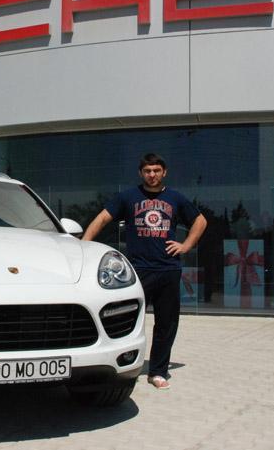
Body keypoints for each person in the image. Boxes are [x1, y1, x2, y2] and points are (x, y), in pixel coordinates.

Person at [83, 153, 207, 389]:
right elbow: (102, 219)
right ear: (141, 173)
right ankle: (123, 365)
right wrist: (83, 246)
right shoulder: (128, 197)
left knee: (166, 323)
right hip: (138, 270)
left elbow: (200, 221)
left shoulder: (175, 198)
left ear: (164, 172)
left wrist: (186, 245)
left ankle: (158, 371)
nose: (152, 175)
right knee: (125, 320)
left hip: (168, 269)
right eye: (148, 171)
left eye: (156, 170)